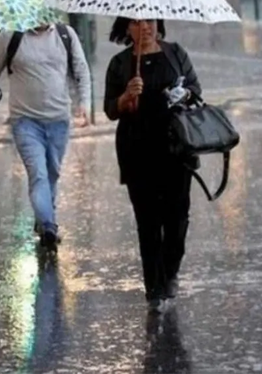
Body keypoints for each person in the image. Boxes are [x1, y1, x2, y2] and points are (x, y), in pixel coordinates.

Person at [0, 0, 91, 251]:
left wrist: (83, 104)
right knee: (38, 175)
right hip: (25, 122)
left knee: (51, 175)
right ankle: (49, 227)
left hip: (59, 120)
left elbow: (81, 70)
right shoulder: (11, 36)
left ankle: (44, 221)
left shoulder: (65, 34)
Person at [103, 18, 202, 314]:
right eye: (136, 23)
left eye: (150, 21)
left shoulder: (175, 53)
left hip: (175, 148)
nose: (145, 27)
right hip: (137, 151)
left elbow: (195, 88)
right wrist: (125, 97)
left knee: (177, 219)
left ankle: (170, 272)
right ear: (127, 29)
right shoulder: (120, 64)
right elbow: (109, 109)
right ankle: (154, 289)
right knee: (148, 222)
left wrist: (183, 93)